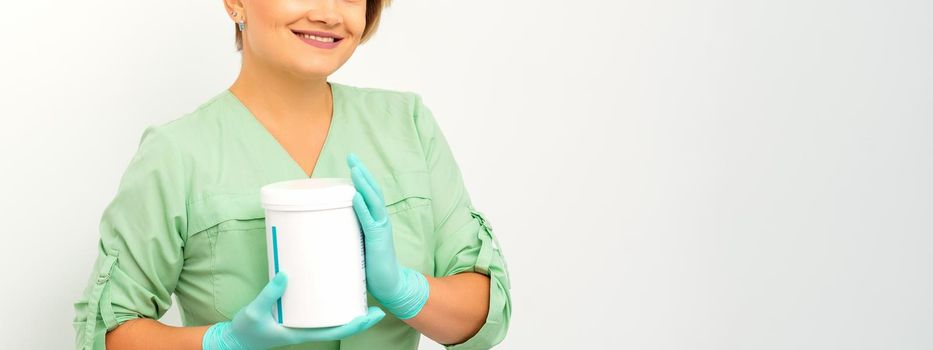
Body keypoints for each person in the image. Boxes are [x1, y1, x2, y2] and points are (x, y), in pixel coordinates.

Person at [72, 1, 511, 349]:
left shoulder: (408, 125)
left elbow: (485, 313)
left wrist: (403, 289)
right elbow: (108, 333)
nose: (328, 13)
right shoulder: (177, 154)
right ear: (234, 2)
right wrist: (222, 342)